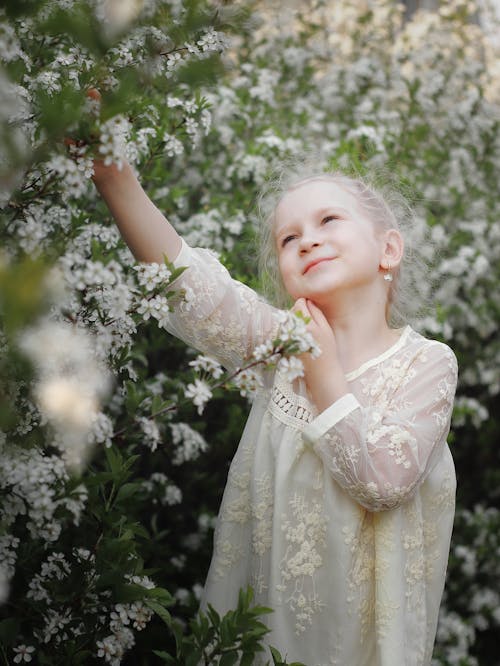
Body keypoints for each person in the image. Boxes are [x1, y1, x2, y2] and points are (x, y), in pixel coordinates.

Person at [92, 156, 458, 666]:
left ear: (388, 249)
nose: (306, 239)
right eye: (288, 239)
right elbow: (192, 288)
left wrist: (323, 370)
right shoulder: (277, 348)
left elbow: (383, 482)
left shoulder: (427, 364)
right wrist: (114, 178)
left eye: (329, 220)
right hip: (266, 635)